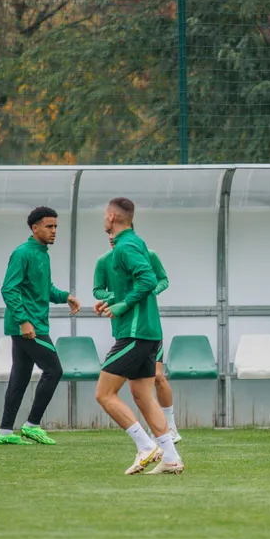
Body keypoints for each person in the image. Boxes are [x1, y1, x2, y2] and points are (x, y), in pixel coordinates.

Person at [94, 198, 183, 475]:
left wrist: (124, 304)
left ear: (111, 217)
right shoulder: (134, 242)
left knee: (104, 394)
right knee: (142, 394)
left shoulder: (125, 246)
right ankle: (170, 457)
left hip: (135, 333)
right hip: (147, 331)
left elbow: (148, 279)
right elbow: (137, 283)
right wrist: (114, 299)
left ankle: (146, 447)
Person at [0, 207, 80, 446]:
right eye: (49, 226)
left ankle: (4, 432)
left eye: (56, 227)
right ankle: (32, 425)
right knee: (54, 370)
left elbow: (44, 289)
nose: (54, 231)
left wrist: (66, 297)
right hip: (28, 326)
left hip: (32, 324)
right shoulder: (22, 253)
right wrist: (24, 321)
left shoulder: (42, 253)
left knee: (20, 378)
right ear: (35, 228)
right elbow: (8, 289)